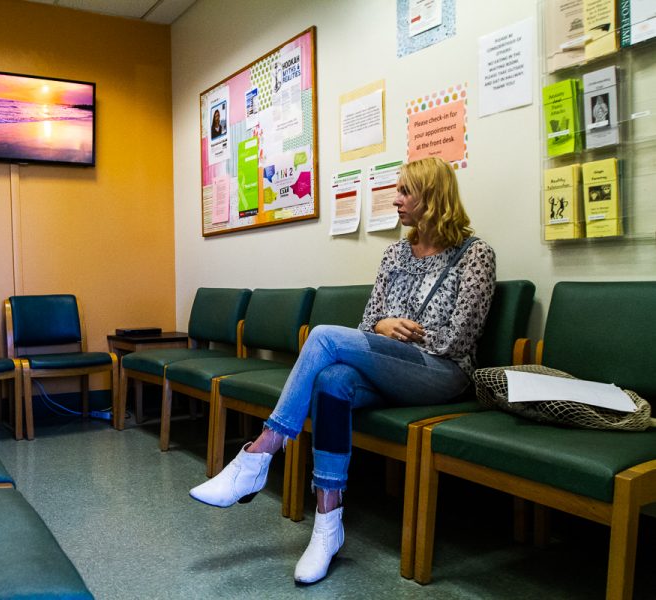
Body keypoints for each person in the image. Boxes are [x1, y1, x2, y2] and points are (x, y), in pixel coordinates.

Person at [189, 156, 496, 584]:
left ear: (434, 197)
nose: (397, 199)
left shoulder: (475, 255)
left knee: (324, 338)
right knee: (332, 380)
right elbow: (367, 323)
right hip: (390, 367)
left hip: (440, 374)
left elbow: (457, 341)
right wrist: (384, 327)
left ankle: (258, 455)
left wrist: (395, 337)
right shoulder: (393, 255)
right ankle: (327, 525)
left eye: (406, 191)